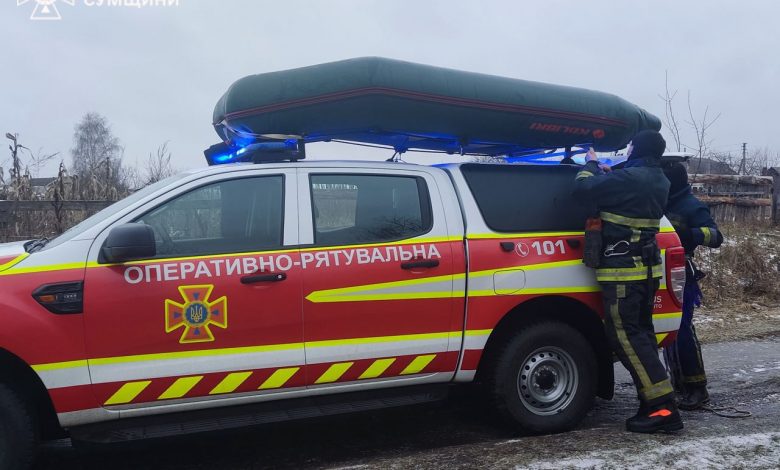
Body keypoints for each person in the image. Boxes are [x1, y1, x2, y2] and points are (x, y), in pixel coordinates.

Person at [573, 130, 683, 433]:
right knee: (642, 336)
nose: (628, 149)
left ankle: (663, 410)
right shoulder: (657, 178)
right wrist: (612, 174)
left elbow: (582, 189)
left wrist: (592, 164)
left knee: (625, 337)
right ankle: (658, 401)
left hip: (624, 273)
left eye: (630, 145)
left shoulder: (631, 178)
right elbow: (627, 192)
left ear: (639, 149)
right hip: (644, 272)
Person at [662, 162, 723, 409]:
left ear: (673, 182)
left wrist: (691, 234)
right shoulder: (661, 202)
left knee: (682, 330)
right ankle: (679, 384)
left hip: (682, 276)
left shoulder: (691, 205)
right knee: (667, 331)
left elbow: (716, 236)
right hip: (661, 272)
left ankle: (698, 388)